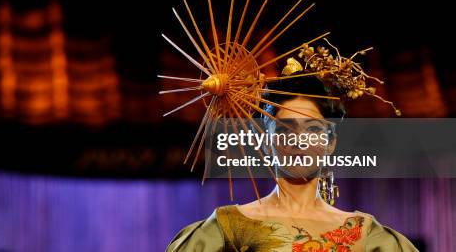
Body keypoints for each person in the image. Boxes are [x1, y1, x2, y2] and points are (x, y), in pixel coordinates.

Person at [166, 76, 418, 252]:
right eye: (286, 129)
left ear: (331, 143)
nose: (299, 141)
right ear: (266, 142)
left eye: (313, 129)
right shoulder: (228, 228)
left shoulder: (366, 235)